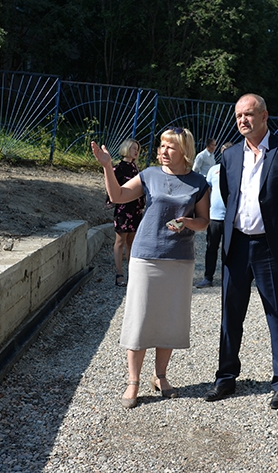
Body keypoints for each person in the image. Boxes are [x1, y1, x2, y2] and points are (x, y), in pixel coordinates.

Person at [203, 93, 278, 410]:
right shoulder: (231, 155)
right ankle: (225, 378)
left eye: (248, 114)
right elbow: (228, 196)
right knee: (230, 315)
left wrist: (276, 226)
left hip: (270, 247)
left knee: (277, 315)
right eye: (238, 116)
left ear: (264, 116)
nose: (242, 120)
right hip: (236, 245)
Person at [91, 127, 210, 409]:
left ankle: (160, 376)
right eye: (162, 145)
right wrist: (107, 166)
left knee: (169, 318)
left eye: (170, 146)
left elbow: (204, 221)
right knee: (140, 317)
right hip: (146, 255)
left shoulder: (199, 183)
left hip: (179, 259)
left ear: (184, 151)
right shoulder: (149, 175)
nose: (163, 151)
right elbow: (118, 195)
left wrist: (187, 222)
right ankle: (133, 381)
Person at [195, 142, 232, 289]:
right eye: (224, 151)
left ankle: (228, 279)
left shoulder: (239, 168)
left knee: (229, 250)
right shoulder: (213, 170)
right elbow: (207, 190)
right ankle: (208, 277)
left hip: (231, 218)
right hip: (215, 216)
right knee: (211, 247)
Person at [109, 139, 145, 287]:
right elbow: (111, 188)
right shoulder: (118, 168)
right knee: (120, 241)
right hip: (123, 210)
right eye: (133, 148)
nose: (136, 151)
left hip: (136, 209)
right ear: (126, 149)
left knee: (131, 242)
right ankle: (119, 274)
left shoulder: (136, 168)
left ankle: (132, 273)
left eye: (137, 149)